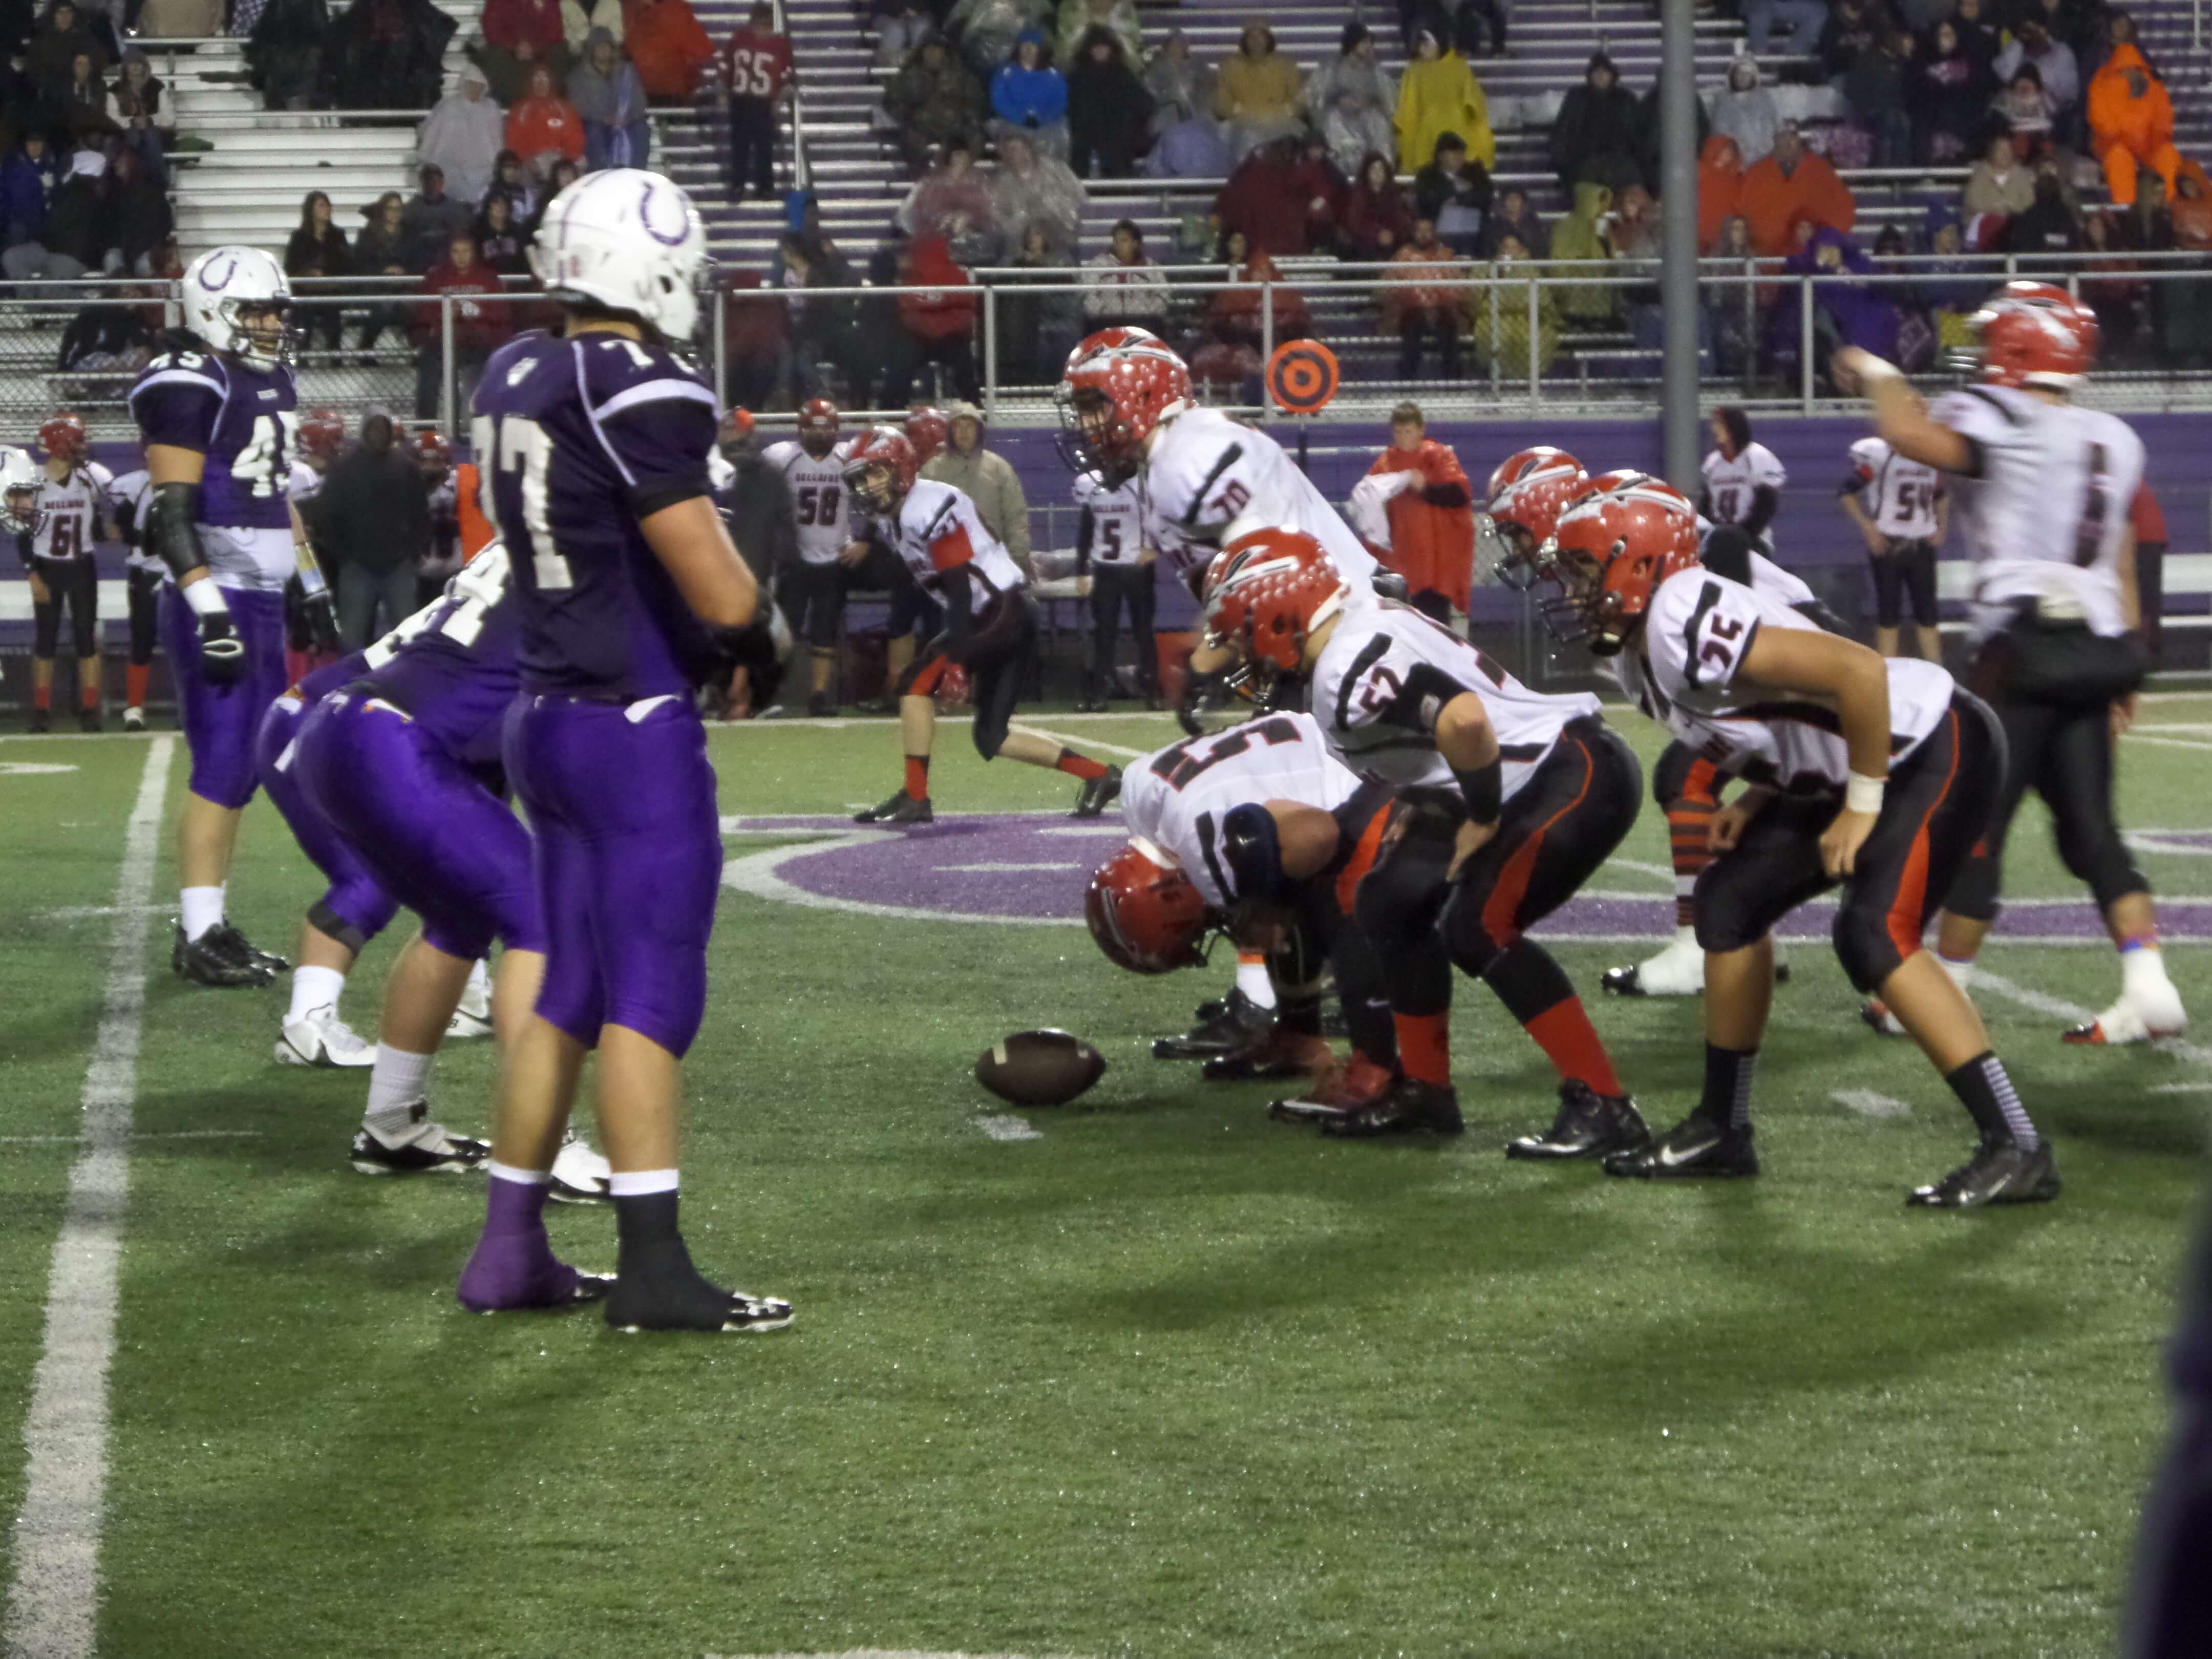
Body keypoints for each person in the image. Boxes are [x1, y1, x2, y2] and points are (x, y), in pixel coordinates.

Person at [1529, 469, 2056, 1207]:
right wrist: (1762, 795)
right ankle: (1723, 1128)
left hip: (1928, 742)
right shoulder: (1635, 647)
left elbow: (1856, 670)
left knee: (1873, 933)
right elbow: (1785, 716)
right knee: (1727, 905)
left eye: (1586, 570)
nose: (1574, 590)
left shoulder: (1680, 615)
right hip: (1856, 762)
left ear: (1640, 564)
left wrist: (1862, 805)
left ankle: (2019, 1145)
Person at [463, 165, 791, 1330]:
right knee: (652, 990)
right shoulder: (639, 382)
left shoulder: (514, 368)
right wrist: (760, 636)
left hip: (542, 712)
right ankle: (652, 1268)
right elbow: (717, 585)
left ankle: (508, 1249)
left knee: (568, 988)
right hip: (630, 726)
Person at [1199, 526, 1648, 1153]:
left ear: (1278, 611)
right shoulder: (1355, 626)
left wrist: (1481, 814)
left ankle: (1605, 1103)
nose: (1241, 650)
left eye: (1242, 630)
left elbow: (1464, 721)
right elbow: (1435, 728)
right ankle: (1427, 1093)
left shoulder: (1345, 670)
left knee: (1478, 926)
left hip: (1561, 773)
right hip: (1525, 772)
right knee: (1390, 900)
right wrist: (1426, 797)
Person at [1836, 285, 2188, 1049]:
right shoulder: (2114, 436)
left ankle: (1945, 988)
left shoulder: (2005, 417)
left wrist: (1875, 369)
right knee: (2092, 830)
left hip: (2021, 647)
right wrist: (2126, 668)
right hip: (2097, 648)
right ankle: (2149, 984)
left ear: (2019, 347)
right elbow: (2121, 555)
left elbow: (1905, 432)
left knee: (1978, 826)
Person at [286, 546, 607, 1198]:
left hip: (345, 728)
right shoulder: (599, 557)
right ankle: (549, 1147)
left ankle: (391, 1124)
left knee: (458, 923)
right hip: (397, 741)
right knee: (544, 922)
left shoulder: (534, 544)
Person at [129, 244, 307, 987]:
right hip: (221, 593)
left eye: (274, 311)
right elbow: (172, 515)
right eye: (253, 311)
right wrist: (209, 609)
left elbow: (278, 495)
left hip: (262, 597)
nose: (269, 324)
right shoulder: (191, 377)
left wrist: (312, 585)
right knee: (224, 763)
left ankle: (212, 923)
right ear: (213, 313)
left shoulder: (273, 378)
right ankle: (198, 933)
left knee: (246, 770)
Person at [1059, 333, 1384, 738]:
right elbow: (1236, 581)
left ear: (1142, 396)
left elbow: (1271, 582)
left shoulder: (1185, 463)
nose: (1085, 425)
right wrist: (1210, 644)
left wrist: (1204, 664)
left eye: (1093, 407)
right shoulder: (1178, 452)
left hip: (1344, 634)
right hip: (1325, 633)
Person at [842, 426, 1120, 825]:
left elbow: (958, 589)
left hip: (999, 612)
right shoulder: (900, 512)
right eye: (861, 478)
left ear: (900, 467)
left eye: (875, 473)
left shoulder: (926, 507)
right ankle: (1099, 775)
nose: (867, 486)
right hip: (1003, 612)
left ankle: (915, 798)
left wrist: (957, 662)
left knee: (914, 685)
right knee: (992, 736)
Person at [11, 412, 113, 731]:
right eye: (76, 441)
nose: (81, 447)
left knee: (86, 639)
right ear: (61, 444)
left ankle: (90, 707)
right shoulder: (33, 481)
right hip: (47, 566)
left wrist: (110, 529)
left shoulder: (92, 476)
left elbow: (103, 518)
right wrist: (32, 574)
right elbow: (22, 533)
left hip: (82, 564)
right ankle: (42, 709)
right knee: (46, 640)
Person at [761, 397, 854, 716]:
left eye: (825, 429)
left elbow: (875, 498)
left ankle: (819, 696)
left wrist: (865, 540)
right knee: (785, 630)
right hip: (795, 558)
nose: (819, 435)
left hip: (835, 556)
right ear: (800, 429)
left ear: (836, 430)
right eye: (813, 429)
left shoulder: (848, 457)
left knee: (825, 629)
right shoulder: (782, 456)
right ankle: (771, 692)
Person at [1347, 402, 1471, 625]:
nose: (1403, 438)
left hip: (1434, 562)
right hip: (1400, 557)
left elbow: (1460, 495)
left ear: (1420, 431)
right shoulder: (1386, 463)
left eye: (1408, 431)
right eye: (1398, 432)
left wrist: (1425, 488)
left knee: (1435, 625)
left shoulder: (1438, 456)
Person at [317, 409, 429, 645]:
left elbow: (421, 513)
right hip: (357, 567)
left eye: (383, 428)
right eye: (373, 428)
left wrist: (413, 552)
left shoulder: (406, 468)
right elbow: (328, 516)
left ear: (391, 432)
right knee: (352, 638)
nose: (379, 434)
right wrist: (344, 556)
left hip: (399, 566)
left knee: (407, 637)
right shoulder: (343, 468)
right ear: (364, 431)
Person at [1842, 433, 1946, 661]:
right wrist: (1869, 528)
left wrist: (1942, 526)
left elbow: (1940, 494)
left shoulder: (1929, 458)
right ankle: (1887, 672)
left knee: (1928, 616)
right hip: (1889, 545)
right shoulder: (1880, 456)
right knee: (1889, 615)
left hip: (1921, 544)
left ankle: (1939, 672)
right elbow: (1847, 492)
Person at [1072, 464, 1154, 709]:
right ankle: (1098, 695)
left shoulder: (1143, 483)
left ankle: (1154, 693)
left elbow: (1162, 519)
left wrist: (1155, 548)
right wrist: (1082, 570)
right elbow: (1086, 530)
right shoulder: (1092, 486)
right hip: (1105, 569)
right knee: (1104, 634)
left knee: (1144, 632)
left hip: (1137, 568)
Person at [920, 400, 1030, 573]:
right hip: (948, 570)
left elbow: (1016, 519)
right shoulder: (932, 472)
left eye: (970, 426)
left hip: (996, 567)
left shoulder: (999, 469)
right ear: (950, 431)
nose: (964, 431)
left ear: (979, 430)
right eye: (958, 426)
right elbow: (920, 522)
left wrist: (1016, 563)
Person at [413, 230, 507, 420]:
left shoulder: (489, 278)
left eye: (466, 251)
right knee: (428, 366)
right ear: (449, 254)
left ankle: (484, 422)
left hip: (480, 343)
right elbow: (423, 312)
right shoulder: (436, 277)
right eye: (456, 252)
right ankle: (426, 425)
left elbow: (500, 313)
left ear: (474, 253)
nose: (461, 257)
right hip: (444, 342)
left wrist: (471, 313)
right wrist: (444, 316)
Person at [1740, 121, 1857, 256]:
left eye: (1792, 137)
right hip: (1766, 259)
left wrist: (1826, 241)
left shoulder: (1820, 171)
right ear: (1775, 141)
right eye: (1783, 137)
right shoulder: (1757, 174)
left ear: (1800, 141)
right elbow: (1741, 212)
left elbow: (1844, 211)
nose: (1788, 142)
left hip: (1813, 258)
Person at [2090, 41, 2179, 208]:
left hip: (2149, 146)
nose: (2130, 73)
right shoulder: (2101, 82)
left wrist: (2155, 142)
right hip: (2114, 145)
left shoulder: (2153, 84)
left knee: (2168, 155)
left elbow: (2164, 120)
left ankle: (2170, 208)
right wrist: (2124, 141)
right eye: (2126, 69)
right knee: (2119, 158)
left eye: (2135, 68)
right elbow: (2102, 122)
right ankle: (2127, 211)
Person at [721, 2, 790, 201]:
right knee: (740, 146)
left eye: (766, 26)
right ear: (751, 24)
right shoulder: (739, 39)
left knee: (764, 147)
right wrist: (723, 93)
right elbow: (726, 67)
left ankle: (765, 187)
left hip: (764, 103)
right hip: (741, 101)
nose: (761, 31)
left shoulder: (779, 45)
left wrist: (779, 99)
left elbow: (786, 75)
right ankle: (738, 186)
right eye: (758, 25)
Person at [1395, 28, 1490, 173]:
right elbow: (1409, 107)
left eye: (1427, 44)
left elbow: (1473, 102)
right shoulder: (1414, 71)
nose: (1422, 49)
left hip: (1457, 125)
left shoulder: (1460, 66)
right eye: (1421, 44)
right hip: (1426, 129)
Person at [1307, 23, 1396, 177]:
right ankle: (1334, 172)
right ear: (1353, 44)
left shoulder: (1376, 71)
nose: (1369, 47)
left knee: (1379, 122)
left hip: (1369, 117)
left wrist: (1370, 102)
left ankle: (1380, 171)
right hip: (1338, 116)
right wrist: (1339, 101)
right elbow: (1314, 97)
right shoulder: (1332, 68)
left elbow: (1391, 101)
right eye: (1364, 42)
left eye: (1370, 43)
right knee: (1332, 119)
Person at [884, 38, 984, 172]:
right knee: (909, 137)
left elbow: (976, 100)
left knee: (975, 135)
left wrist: (964, 113)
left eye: (937, 51)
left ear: (945, 53)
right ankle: (921, 173)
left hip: (956, 123)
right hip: (922, 124)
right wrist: (910, 115)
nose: (932, 55)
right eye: (928, 52)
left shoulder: (961, 76)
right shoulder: (910, 76)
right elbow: (891, 101)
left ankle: (963, 172)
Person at [416, 62, 504, 208]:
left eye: (479, 86)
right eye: (472, 85)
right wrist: (426, 156)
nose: (475, 89)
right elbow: (433, 134)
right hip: (451, 169)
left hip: (484, 170)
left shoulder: (491, 108)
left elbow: (497, 140)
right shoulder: (449, 106)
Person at [1066, 27, 1150, 180]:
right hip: (1084, 138)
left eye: (1104, 47)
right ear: (1089, 50)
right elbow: (1070, 108)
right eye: (1096, 47)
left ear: (1111, 49)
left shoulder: (1123, 75)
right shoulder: (1077, 76)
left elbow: (1143, 104)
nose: (1100, 51)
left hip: (1117, 139)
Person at [1383, 216, 1461, 379]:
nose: (1423, 235)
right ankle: (1407, 383)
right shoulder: (1403, 255)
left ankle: (1453, 382)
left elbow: (1455, 285)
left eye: (1428, 231)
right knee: (1411, 335)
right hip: (1411, 309)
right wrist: (1417, 302)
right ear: (1413, 233)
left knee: (1449, 332)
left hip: (1441, 308)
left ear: (1434, 233)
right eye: (1420, 231)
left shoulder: (1444, 254)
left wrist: (1436, 304)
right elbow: (1392, 285)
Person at [1214, 20, 1303, 162]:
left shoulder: (1286, 65)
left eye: (1261, 35)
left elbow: (1299, 99)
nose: (1256, 41)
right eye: (1251, 36)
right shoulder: (1229, 66)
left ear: (1269, 39)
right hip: (1242, 124)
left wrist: (1283, 113)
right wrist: (1241, 113)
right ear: (1244, 40)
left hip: (1280, 122)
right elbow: (1222, 102)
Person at [1549, 51, 1639, 192]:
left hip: (1619, 168)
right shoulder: (1577, 98)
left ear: (1613, 75)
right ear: (1589, 76)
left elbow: (1636, 137)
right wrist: (1565, 167)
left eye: (1605, 72)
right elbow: (1562, 134)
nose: (1601, 76)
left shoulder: (1625, 100)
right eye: (1597, 72)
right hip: (1583, 166)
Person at [1699, 406, 1786, 549]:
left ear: (1733, 426)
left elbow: (1766, 504)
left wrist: (1745, 533)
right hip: (1720, 542)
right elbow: (1706, 505)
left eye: (1719, 424)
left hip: (1754, 541)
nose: (1714, 429)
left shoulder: (1758, 456)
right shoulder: (1712, 463)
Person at [568, 28, 650, 170]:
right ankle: (601, 174)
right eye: (599, 46)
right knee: (594, 133)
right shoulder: (579, 76)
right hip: (596, 124)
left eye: (606, 46)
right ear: (592, 50)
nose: (603, 50)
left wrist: (627, 118)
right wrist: (604, 118)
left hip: (626, 123)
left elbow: (640, 102)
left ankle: (635, 173)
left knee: (642, 130)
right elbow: (578, 106)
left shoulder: (627, 72)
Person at [283, 189, 351, 355]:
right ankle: (303, 355)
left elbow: (346, 264)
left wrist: (327, 275)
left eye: (328, 205)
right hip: (307, 292)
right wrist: (308, 273)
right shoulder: (299, 237)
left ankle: (336, 356)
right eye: (321, 205)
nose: (327, 209)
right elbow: (290, 267)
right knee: (304, 312)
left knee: (332, 314)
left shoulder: (338, 236)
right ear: (311, 210)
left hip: (331, 291)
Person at [991, 129, 1082, 252]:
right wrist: (1019, 225)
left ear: (1028, 149)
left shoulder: (1054, 170)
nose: (1011, 154)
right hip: (1019, 248)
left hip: (1059, 243)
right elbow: (997, 214)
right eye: (1008, 150)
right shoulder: (1003, 181)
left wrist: (1048, 223)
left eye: (1015, 149)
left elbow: (1074, 200)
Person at [1412, 129, 1490, 254]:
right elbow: (1427, 200)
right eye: (1453, 153)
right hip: (1439, 227)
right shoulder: (1427, 175)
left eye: (1461, 153)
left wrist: (1458, 199)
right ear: (1440, 156)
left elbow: (1485, 197)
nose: (1459, 157)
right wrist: (1455, 189)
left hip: (1473, 228)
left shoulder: (1475, 172)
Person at [477, 0, 568, 103]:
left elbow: (555, 30)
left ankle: (551, 101)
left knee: (559, 51)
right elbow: (491, 27)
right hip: (509, 53)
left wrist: (534, 47)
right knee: (494, 55)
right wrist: (514, 46)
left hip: (541, 52)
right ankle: (513, 103)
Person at [623, 0, 714, 103]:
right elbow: (704, 52)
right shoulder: (676, 11)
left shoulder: (675, 12)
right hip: (663, 93)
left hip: (642, 94)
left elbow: (703, 51)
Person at [507, 61, 586, 178]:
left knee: (581, 164)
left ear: (551, 82)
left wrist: (568, 158)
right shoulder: (521, 110)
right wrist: (527, 159)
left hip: (561, 157)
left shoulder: (564, 108)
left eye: (545, 79)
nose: (541, 83)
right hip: (534, 160)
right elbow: (514, 141)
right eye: (537, 79)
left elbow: (576, 137)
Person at [991, 28, 1066, 150]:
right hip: (1012, 128)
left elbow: (1060, 102)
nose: (1029, 49)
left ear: (1040, 49)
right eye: (1025, 45)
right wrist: (1021, 118)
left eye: (1033, 45)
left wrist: (1042, 119)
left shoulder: (1054, 75)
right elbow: (999, 100)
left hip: (1047, 130)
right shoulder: (1005, 73)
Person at [107, 47, 173, 183]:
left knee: (149, 134)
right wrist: (132, 122)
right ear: (125, 67)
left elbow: (169, 117)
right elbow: (111, 119)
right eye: (132, 63)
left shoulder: (156, 87)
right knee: (134, 135)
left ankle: (158, 181)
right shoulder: (115, 90)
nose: (136, 66)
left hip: (156, 133)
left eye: (139, 63)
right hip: (126, 134)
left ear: (145, 66)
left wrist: (149, 120)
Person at [399, 163, 474, 271]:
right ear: (422, 183)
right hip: (418, 264)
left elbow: (461, 239)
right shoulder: (411, 210)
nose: (432, 184)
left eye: (436, 180)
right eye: (428, 180)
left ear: (442, 182)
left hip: (449, 264)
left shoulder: (456, 209)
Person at [1708, 52, 1778, 167]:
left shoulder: (1765, 98)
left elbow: (1773, 128)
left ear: (1753, 76)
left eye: (1747, 74)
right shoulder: (1722, 100)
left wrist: (1763, 152)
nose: (1743, 77)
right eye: (1739, 73)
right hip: (1734, 161)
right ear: (1732, 75)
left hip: (1764, 159)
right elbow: (1720, 133)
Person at [1342, 151, 1413, 263]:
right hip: (1365, 245)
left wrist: (1392, 234)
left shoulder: (1394, 194)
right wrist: (1377, 234)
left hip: (1392, 242)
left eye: (1381, 169)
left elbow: (1400, 219)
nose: (1378, 173)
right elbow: (1355, 223)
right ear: (1367, 173)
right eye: (1373, 169)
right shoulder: (1358, 195)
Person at [1744, 0, 1826, 55]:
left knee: (1819, 12)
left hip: (1799, 5)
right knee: (1759, 6)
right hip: (1764, 5)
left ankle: (1793, 54)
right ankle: (1759, 57)